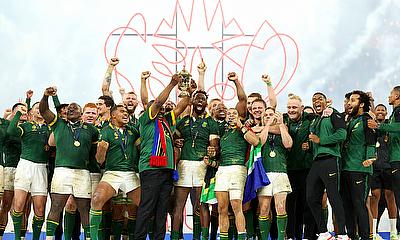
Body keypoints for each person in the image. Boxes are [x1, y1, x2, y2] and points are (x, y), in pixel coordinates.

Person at [134, 73, 190, 240]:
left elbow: (182, 106)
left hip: (167, 170)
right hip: (150, 169)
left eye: (164, 109)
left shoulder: (167, 121)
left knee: (162, 210)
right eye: (159, 108)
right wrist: (172, 83)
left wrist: (188, 91)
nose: (162, 109)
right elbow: (158, 102)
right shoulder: (146, 120)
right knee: (146, 208)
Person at [39, 87, 99, 240]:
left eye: (75, 107)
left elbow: (93, 153)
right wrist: (46, 96)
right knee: (57, 206)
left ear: (81, 113)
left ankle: (88, 237)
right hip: (62, 171)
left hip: (83, 172)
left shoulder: (92, 130)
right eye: (69, 108)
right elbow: (44, 109)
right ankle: (50, 238)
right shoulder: (58, 124)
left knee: (84, 209)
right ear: (65, 113)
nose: (71, 109)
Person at [172, 87, 220, 240]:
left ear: (206, 103)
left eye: (203, 99)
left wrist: (213, 151)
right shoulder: (182, 121)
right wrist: (176, 141)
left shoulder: (211, 122)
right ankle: (174, 237)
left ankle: (200, 237)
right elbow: (173, 138)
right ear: (191, 101)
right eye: (197, 98)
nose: (200, 101)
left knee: (200, 206)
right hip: (184, 164)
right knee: (178, 206)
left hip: (201, 165)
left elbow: (215, 145)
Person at [90, 105, 141, 240]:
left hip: (131, 173)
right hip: (112, 173)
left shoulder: (133, 131)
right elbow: (99, 160)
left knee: (145, 205)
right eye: (122, 112)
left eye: (126, 112)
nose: (126, 114)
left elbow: (141, 150)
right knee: (96, 200)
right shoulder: (106, 131)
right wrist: (101, 150)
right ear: (113, 115)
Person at [306, 92, 349, 240]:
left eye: (320, 99)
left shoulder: (333, 114)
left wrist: (320, 140)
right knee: (311, 197)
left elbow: (342, 134)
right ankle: (324, 232)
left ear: (326, 102)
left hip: (331, 159)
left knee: (333, 196)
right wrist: (309, 146)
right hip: (316, 162)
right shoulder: (315, 120)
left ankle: (342, 234)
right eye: (314, 100)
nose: (316, 101)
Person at [8, 102, 51, 240]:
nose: (39, 110)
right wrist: (20, 112)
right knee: (19, 204)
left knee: (39, 209)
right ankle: (17, 237)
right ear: (31, 112)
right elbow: (10, 131)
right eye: (36, 108)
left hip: (42, 168)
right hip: (25, 166)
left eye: (41, 108)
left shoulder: (49, 128)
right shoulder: (26, 126)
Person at [340, 90, 376, 240]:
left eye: (353, 100)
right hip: (345, 168)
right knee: (347, 206)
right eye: (349, 100)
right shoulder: (349, 120)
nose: (349, 103)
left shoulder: (366, 119)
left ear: (361, 104)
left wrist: (370, 158)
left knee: (359, 205)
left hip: (359, 168)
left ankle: (365, 237)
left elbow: (371, 140)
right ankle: (351, 237)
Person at [368, 86, 400, 240]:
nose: (380, 112)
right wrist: (372, 102)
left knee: (391, 197)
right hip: (374, 168)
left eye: (382, 110)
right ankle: (373, 233)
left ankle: (394, 232)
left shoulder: (389, 125)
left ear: (386, 113)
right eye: (377, 110)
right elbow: (373, 119)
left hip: (389, 166)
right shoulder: (374, 128)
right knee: (374, 197)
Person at [285, 94, 318, 240]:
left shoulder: (310, 119)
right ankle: (293, 236)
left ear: (302, 108)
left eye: (294, 107)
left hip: (307, 169)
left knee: (308, 204)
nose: (291, 110)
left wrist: (310, 145)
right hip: (289, 170)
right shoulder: (284, 119)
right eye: (289, 107)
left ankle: (311, 236)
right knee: (292, 207)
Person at [257, 107, 293, 240]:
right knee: (264, 208)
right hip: (264, 173)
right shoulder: (261, 129)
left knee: (281, 206)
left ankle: (281, 238)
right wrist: (266, 125)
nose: (268, 116)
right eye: (265, 115)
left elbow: (288, 144)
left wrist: (281, 124)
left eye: (271, 114)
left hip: (280, 171)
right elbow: (260, 142)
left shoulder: (283, 129)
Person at [0, 103, 27, 239]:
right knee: (5, 205)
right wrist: (7, 118)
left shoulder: (28, 127)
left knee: (23, 207)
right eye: (20, 110)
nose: (23, 112)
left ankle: (20, 237)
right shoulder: (6, 127)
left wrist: (28, 100)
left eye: (25, 110)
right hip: (10, 169)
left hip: (26, 169)